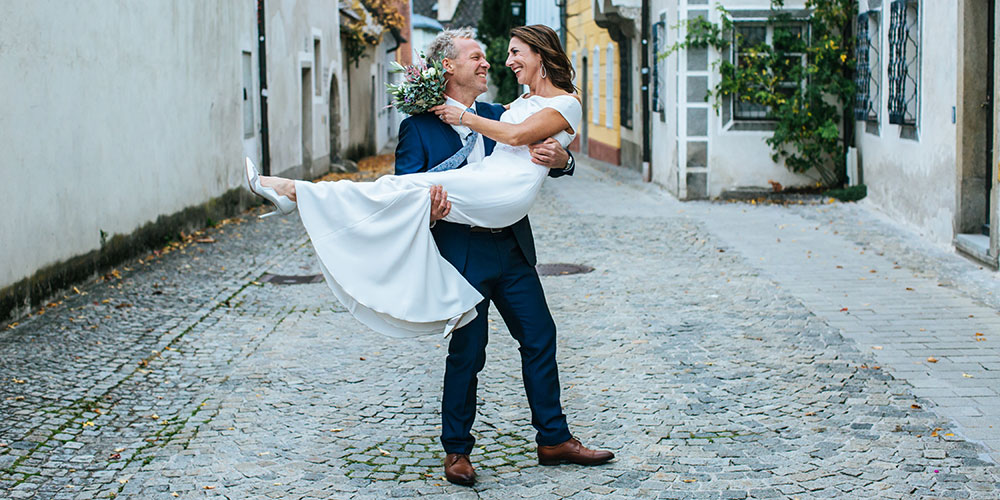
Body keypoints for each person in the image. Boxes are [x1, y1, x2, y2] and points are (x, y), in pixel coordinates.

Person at [245, 25, 613, 486]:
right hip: (462, 251)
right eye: (476, 57)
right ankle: (457, 451)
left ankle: (554, 438)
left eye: (497, 55)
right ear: (448, 66)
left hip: (512, 247)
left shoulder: (501, 111)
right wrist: (433, 217)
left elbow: (531, 140)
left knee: (541, 337)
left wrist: (565, 161)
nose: (489, 64)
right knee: (468, 350)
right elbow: (404, 194)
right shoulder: (417, 128)